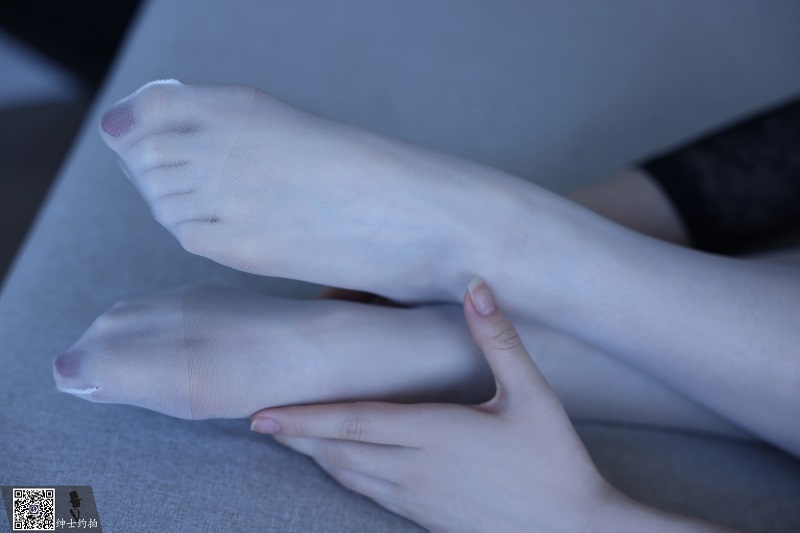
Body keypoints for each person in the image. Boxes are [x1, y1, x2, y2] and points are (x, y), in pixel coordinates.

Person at [53, 80, 799, 530]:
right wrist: (613, 214)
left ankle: (450, 319)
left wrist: (584, 521)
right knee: (564, 246)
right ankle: (513, 248)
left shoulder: (40, 505)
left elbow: (34, 510)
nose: (39, 506)